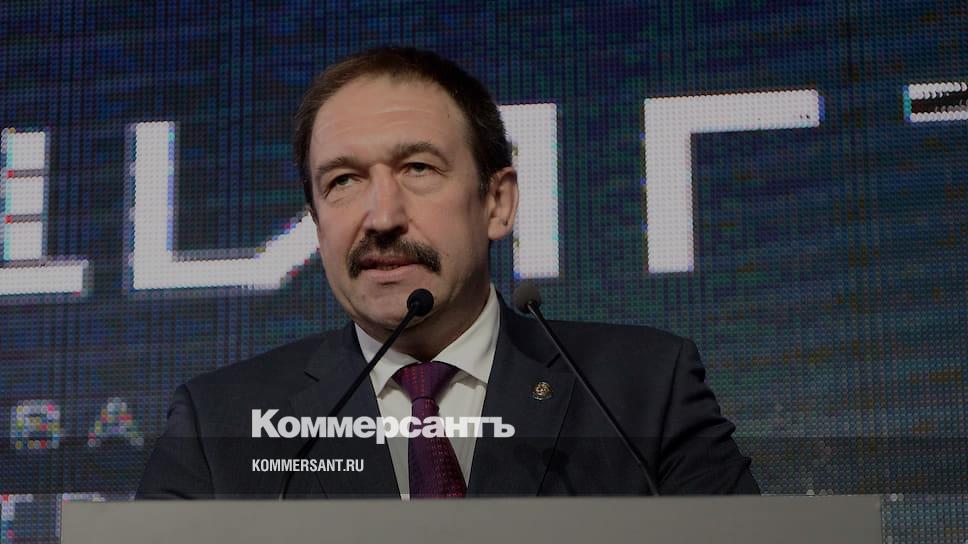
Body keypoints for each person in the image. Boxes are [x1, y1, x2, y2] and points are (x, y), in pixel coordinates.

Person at [137, 46, 759, 498]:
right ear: (318, 225)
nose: (382, 217)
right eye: (343, 181)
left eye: (418, 168)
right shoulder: (219, 424)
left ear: (498, 203)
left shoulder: (642, 391)